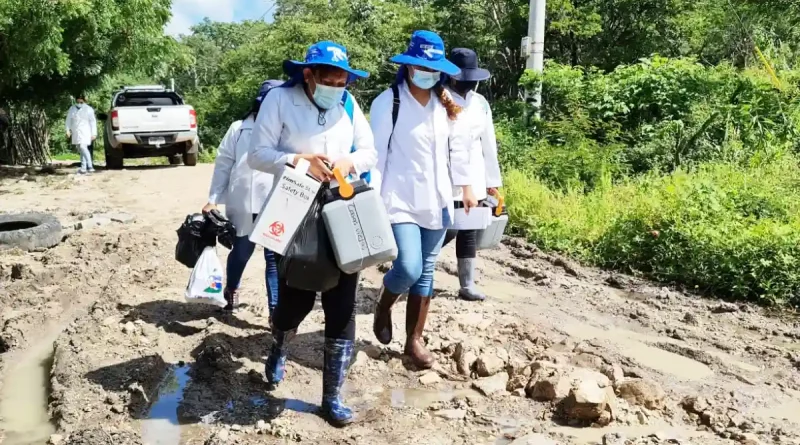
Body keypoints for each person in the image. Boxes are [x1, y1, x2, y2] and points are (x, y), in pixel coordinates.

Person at [248, 41, 377, 426]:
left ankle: (331, 397)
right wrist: (298, 160)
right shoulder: (279, 100)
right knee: (296, 302)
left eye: (342, 81)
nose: (336, 87)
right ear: (309, 75)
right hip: (296, 211)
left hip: (341, 210)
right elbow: (257, 153)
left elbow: (368, 151)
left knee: (342, 303)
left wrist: (347, 161)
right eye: (329, 80)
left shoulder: (349, 105)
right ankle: (280, 343)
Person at [370, 30, 478, 370]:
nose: (427, 73)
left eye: (433, 68)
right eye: (421, 66)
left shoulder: (447, 105)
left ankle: (413, 341)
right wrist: (369, 196)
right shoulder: (389, 102)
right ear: (408, 66)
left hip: (438, 200)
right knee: (408, 266)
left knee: (427, 273)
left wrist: (467, 187)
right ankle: (385, 303)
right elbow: (376, 155)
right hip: (398, 199)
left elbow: (458, 151)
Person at [203, 81, 284, 317]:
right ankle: (231, 289)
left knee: (273, 258)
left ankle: (275, 313)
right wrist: (213, 198)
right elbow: (223, 163)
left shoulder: (285, 129)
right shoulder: (238, 129)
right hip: (245, 202)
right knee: (241, 252)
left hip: (275, 202)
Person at [441, 48, 503, 302]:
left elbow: (489, 145)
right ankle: (414, 267)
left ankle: (467, 284)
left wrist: (493, 183)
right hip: (444, 176)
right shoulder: (438, 98)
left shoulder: (480, 104)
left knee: (468, 230)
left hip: (475, 177)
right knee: (443, 227)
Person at [65, 94, 97, 174]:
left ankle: (90, 166)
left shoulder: (89, 109)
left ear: (84, 100)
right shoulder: (72, 109)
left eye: (81, 100)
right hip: (76, 131)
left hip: (86, 131)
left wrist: (94, 133)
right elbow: (68, 120)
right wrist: (67, 130)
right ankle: (83, 168)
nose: (79, 102)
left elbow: (93, 122)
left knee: (83, 147)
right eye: (78, 100)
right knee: (80, 149)